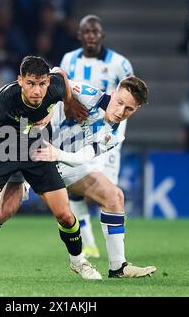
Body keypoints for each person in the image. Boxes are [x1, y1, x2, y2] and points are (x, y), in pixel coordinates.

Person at [0, 76, 157, 278]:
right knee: (5, 209)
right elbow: (55, 73)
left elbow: (85, 157)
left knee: (114, 196)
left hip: (65, 161)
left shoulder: (115, 134)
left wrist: (57, 155)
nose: (120, 112)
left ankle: (118, 266)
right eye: (119, 103)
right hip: (33, 150)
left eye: (129, 109)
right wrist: (69, 99)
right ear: (114, 92)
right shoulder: (88, 95)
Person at [0, 56, 102, 280]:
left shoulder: (55, 86)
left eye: (42, 84)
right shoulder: (5, 98)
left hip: (37, 150)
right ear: (20, 80)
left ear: (48, 82)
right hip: (3, 149)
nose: (37, 90)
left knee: (65, 215)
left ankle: (78, 262)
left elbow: (62, 74)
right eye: (31, 83)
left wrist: (68, 102)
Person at [57, 15, 134, 259]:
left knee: (108, 191)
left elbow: (131, 97)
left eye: (95, 32)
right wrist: (69, 103)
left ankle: (112, 246)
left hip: (106, 138)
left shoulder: (120, 64)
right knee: (76, 186)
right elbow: (62, 85)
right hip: (76, 132)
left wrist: (114, 129)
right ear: (79, 35)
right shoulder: (69, 59)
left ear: (102, 35)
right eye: (86, 32)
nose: (91, 36)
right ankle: (89, 242)